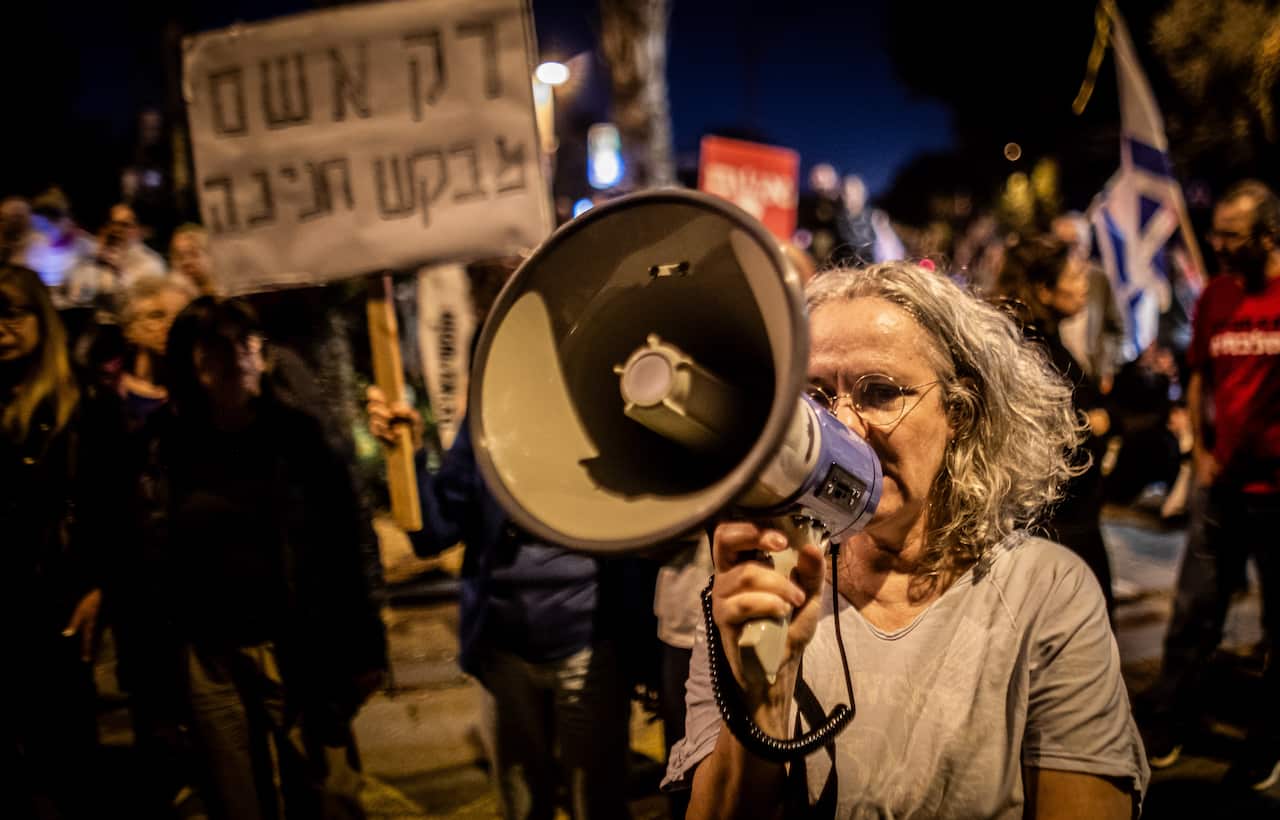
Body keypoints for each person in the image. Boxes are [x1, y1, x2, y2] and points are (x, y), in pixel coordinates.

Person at [663, 261, 1148, 818]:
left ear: (961, 412)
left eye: (879, 392)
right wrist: (764, 698)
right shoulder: (760, 592)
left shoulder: (1046, 592)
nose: (841, 428)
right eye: (816, 398)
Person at [131, 297, 387, 820]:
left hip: (298, 645)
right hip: (209, 657)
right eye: (219, 345)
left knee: (322, 793)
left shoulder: (301, 439)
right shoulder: (160, 448)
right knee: (235, 798)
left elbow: (349, 546)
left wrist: (365, 646)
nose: (239, 357)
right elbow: (141, 565)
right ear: (188, 359)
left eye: (248, 343)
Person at [1142, 180, 1280, 791]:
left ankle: (1265, 742)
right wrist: (1199, 452)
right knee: (1196, 610)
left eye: (1232, 235)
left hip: (1277, 495)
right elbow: (1199, 376)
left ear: (1269, 237)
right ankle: (1168, 721)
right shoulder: (1216, 296)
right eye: (1216, 231)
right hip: (1220, 489)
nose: (1218, 245)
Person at [1, 264, 114, 817]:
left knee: (63, 748)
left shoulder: (80, 400)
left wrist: (96, 583)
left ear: (39, 319)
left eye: (11, 313)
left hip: (55, 595)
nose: (0, 328)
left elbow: (105, 503)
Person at [995, 235, 1116, 616]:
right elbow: (1043, 430)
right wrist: (1090, 424)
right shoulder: (1029, 350)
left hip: (1068, 517)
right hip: (1056, 525)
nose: (1084, 285)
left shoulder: (1042, 340)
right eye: (1075, 276)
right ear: (1045, 290)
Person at [1052, 211, 1126, 392]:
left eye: (1075, 244)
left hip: (1090, 376)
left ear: (1087, 246)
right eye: (1062, 245)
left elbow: (1116, 327)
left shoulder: (1099, 278)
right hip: (1057, 378)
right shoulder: (1048, 281)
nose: (1070, 253)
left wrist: (1106, 366)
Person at [27, 187, 96, 290]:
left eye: (44, 226)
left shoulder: (86, 246)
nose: (41, 231)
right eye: (38, 226)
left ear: (65, 219)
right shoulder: (34, 246)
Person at [169, 223, 220, 297]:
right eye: (179, 257)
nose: (186, 262)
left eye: (194, 254)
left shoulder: (228, 291)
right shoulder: (175, 293)